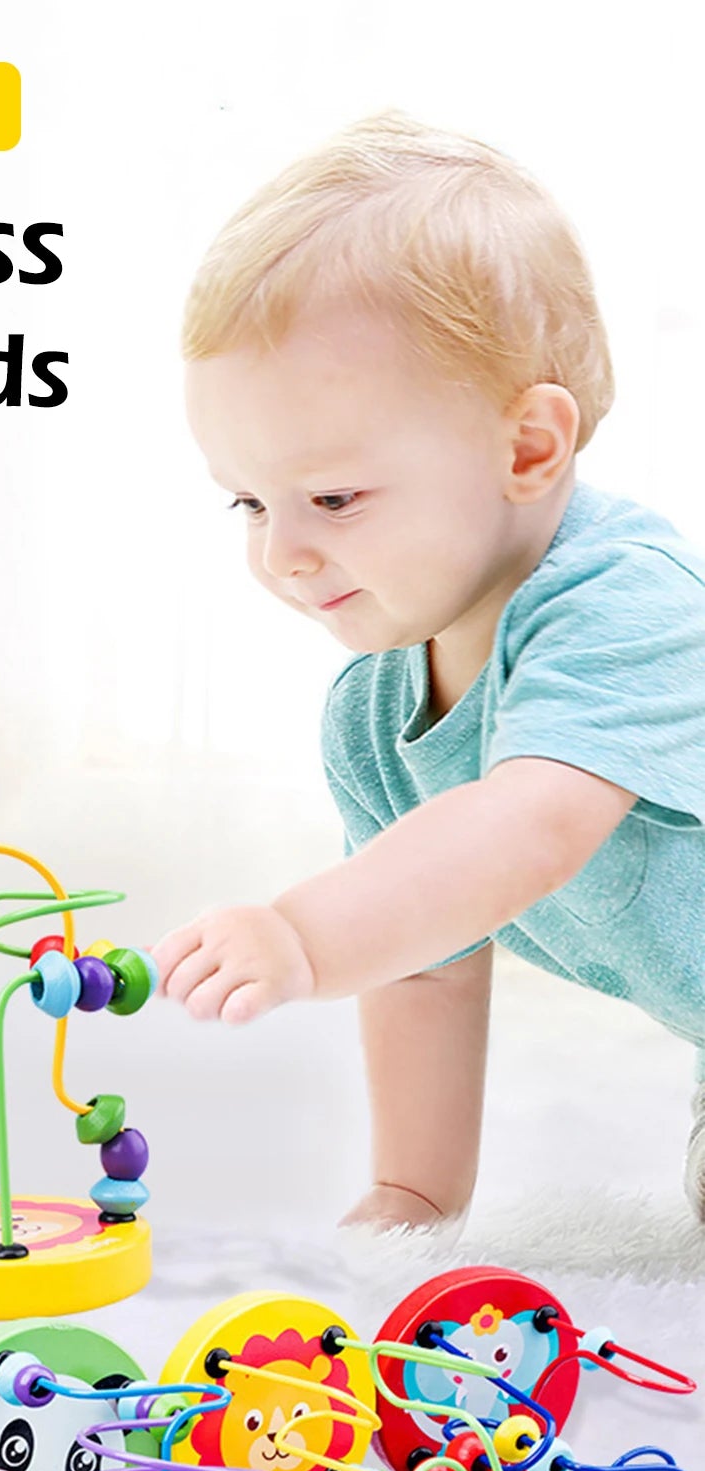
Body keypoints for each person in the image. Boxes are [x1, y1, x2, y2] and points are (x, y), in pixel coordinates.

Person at [152, 114, 705, 1228]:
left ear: (526, 449)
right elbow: (426, 954)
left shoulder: (626, 602)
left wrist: (303, 937)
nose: (282, 551)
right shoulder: (370, 719)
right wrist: (415, 1190)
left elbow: (524, 829)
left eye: (333, 498)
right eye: (249, 502)